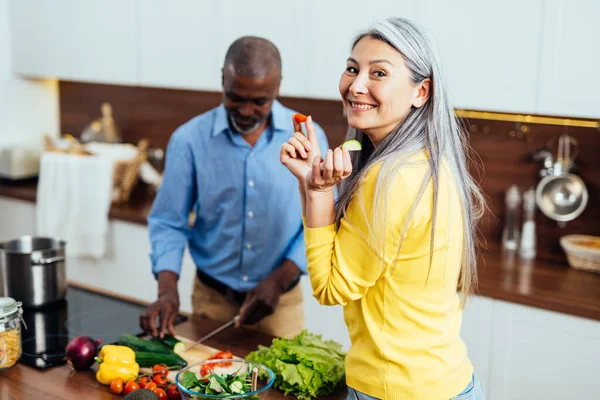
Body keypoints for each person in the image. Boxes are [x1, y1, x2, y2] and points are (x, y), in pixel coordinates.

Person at [280, 17, 486, 400]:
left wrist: (320, 193)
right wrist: (314, 185)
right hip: (449, 381)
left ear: (421, 92)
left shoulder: (390, 179)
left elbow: (329, 287)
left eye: (379, 73)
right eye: (352, 68)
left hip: (396, 390)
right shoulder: (431, 163)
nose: (356, 85)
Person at [140, 36, 329, 340]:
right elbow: (168, 222)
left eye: (259, 101)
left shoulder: (309, 138)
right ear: (222, 80)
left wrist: (279, 281)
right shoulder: (189, 140)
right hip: (211, 301)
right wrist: (167, 291)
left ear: (277, 87)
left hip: (281, 304)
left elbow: (320, 221)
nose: (245, 111)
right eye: (235, 97)